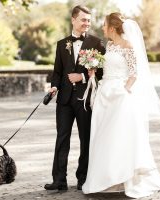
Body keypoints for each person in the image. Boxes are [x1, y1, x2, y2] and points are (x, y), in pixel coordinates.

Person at [82, 12, 160, 198]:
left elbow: (133, 74)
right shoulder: (110, 46)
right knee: (104, 138)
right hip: (105, 95)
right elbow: (107, 70)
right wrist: (92, 72)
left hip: (120, 97)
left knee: (119, 137)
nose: (103, 28)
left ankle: (125, 176)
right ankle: (107, 179)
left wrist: (124, 91)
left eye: (105, 25)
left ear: (113, 27)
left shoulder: (128, 46)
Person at [44, 5, 105, 191]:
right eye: (83, 20)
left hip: (84, 100)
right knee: (62, 138)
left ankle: (83, 178)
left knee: (85, 139)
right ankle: (59, 180)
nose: (87, 23)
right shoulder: (62, 44)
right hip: (63, 100)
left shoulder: (96, 43)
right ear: (73, 19)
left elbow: (102, 72)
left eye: (89, 20)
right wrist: (54, 85)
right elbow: (57, 71)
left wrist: (83, 77)